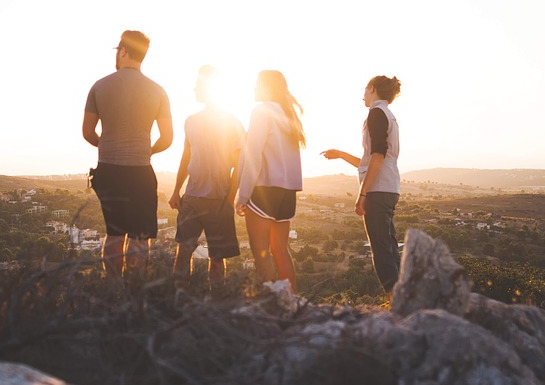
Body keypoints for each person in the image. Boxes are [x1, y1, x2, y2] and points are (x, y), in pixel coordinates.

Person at [82, 30, 173, 275]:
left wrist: (109, 145)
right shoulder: (158, 91)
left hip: (108, 169)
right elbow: (168, 138)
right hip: (140, 170)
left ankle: (112, 288)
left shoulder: (99, 87)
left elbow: (88, 132)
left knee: (114, 233)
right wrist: (146, 151)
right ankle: (136, 290)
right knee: (140, 237)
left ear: (123, 51)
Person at [321, 75, 402, 292]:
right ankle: (403, 299)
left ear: (373, 89)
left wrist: (363, 193)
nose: (363, 94)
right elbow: (369, 161)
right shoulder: (388, 115)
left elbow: (377, 155)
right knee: (390, 248)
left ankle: (396, 301)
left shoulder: (376, 113)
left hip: (378, 188)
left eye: (365, 89)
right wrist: (340, 154)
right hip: (389, 187)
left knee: (381, 251)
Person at [168, 66, 245, 284]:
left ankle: (217, 306)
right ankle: (180, 303)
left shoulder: (231, 122)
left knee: (217, 258)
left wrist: (230, 198)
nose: (194, 89)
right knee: (182, 253)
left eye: (198, 85)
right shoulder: (190, 121)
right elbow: (186, 158)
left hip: (219, 200)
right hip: (191, 198)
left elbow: (241, 164)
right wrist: (176, 191)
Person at [235, 70, 304, 291]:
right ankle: (291, 303)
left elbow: (253, 154)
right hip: (287, 193)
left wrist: (242, 194)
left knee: (261, 254)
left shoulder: (261, 111)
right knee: (281, 251)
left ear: (266, 87)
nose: (254, 88)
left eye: (257, 84)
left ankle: (267, 305)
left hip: (263, 190)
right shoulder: (289, 115)